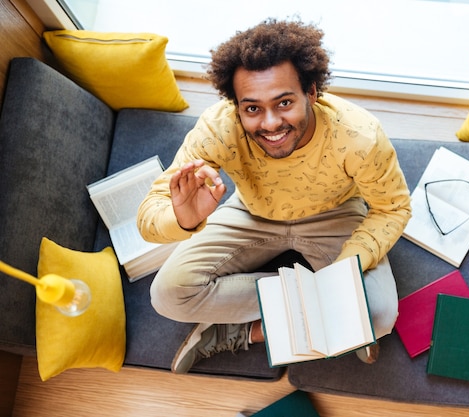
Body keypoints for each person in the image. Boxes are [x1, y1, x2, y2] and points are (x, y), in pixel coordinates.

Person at [137, 18, 412, 374]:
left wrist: (347, 265)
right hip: (252, 212)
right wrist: (183, 218)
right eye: (252, 108)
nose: (269, 123)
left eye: (284, 103)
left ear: (311, 92)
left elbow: (393, 208)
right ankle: (325, 313)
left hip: (336, 215)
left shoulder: (360, 136)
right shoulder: (219, 127)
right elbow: (148, 215)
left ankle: (244, 329)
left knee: (379, 316)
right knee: (168, 294)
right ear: (236, 106)